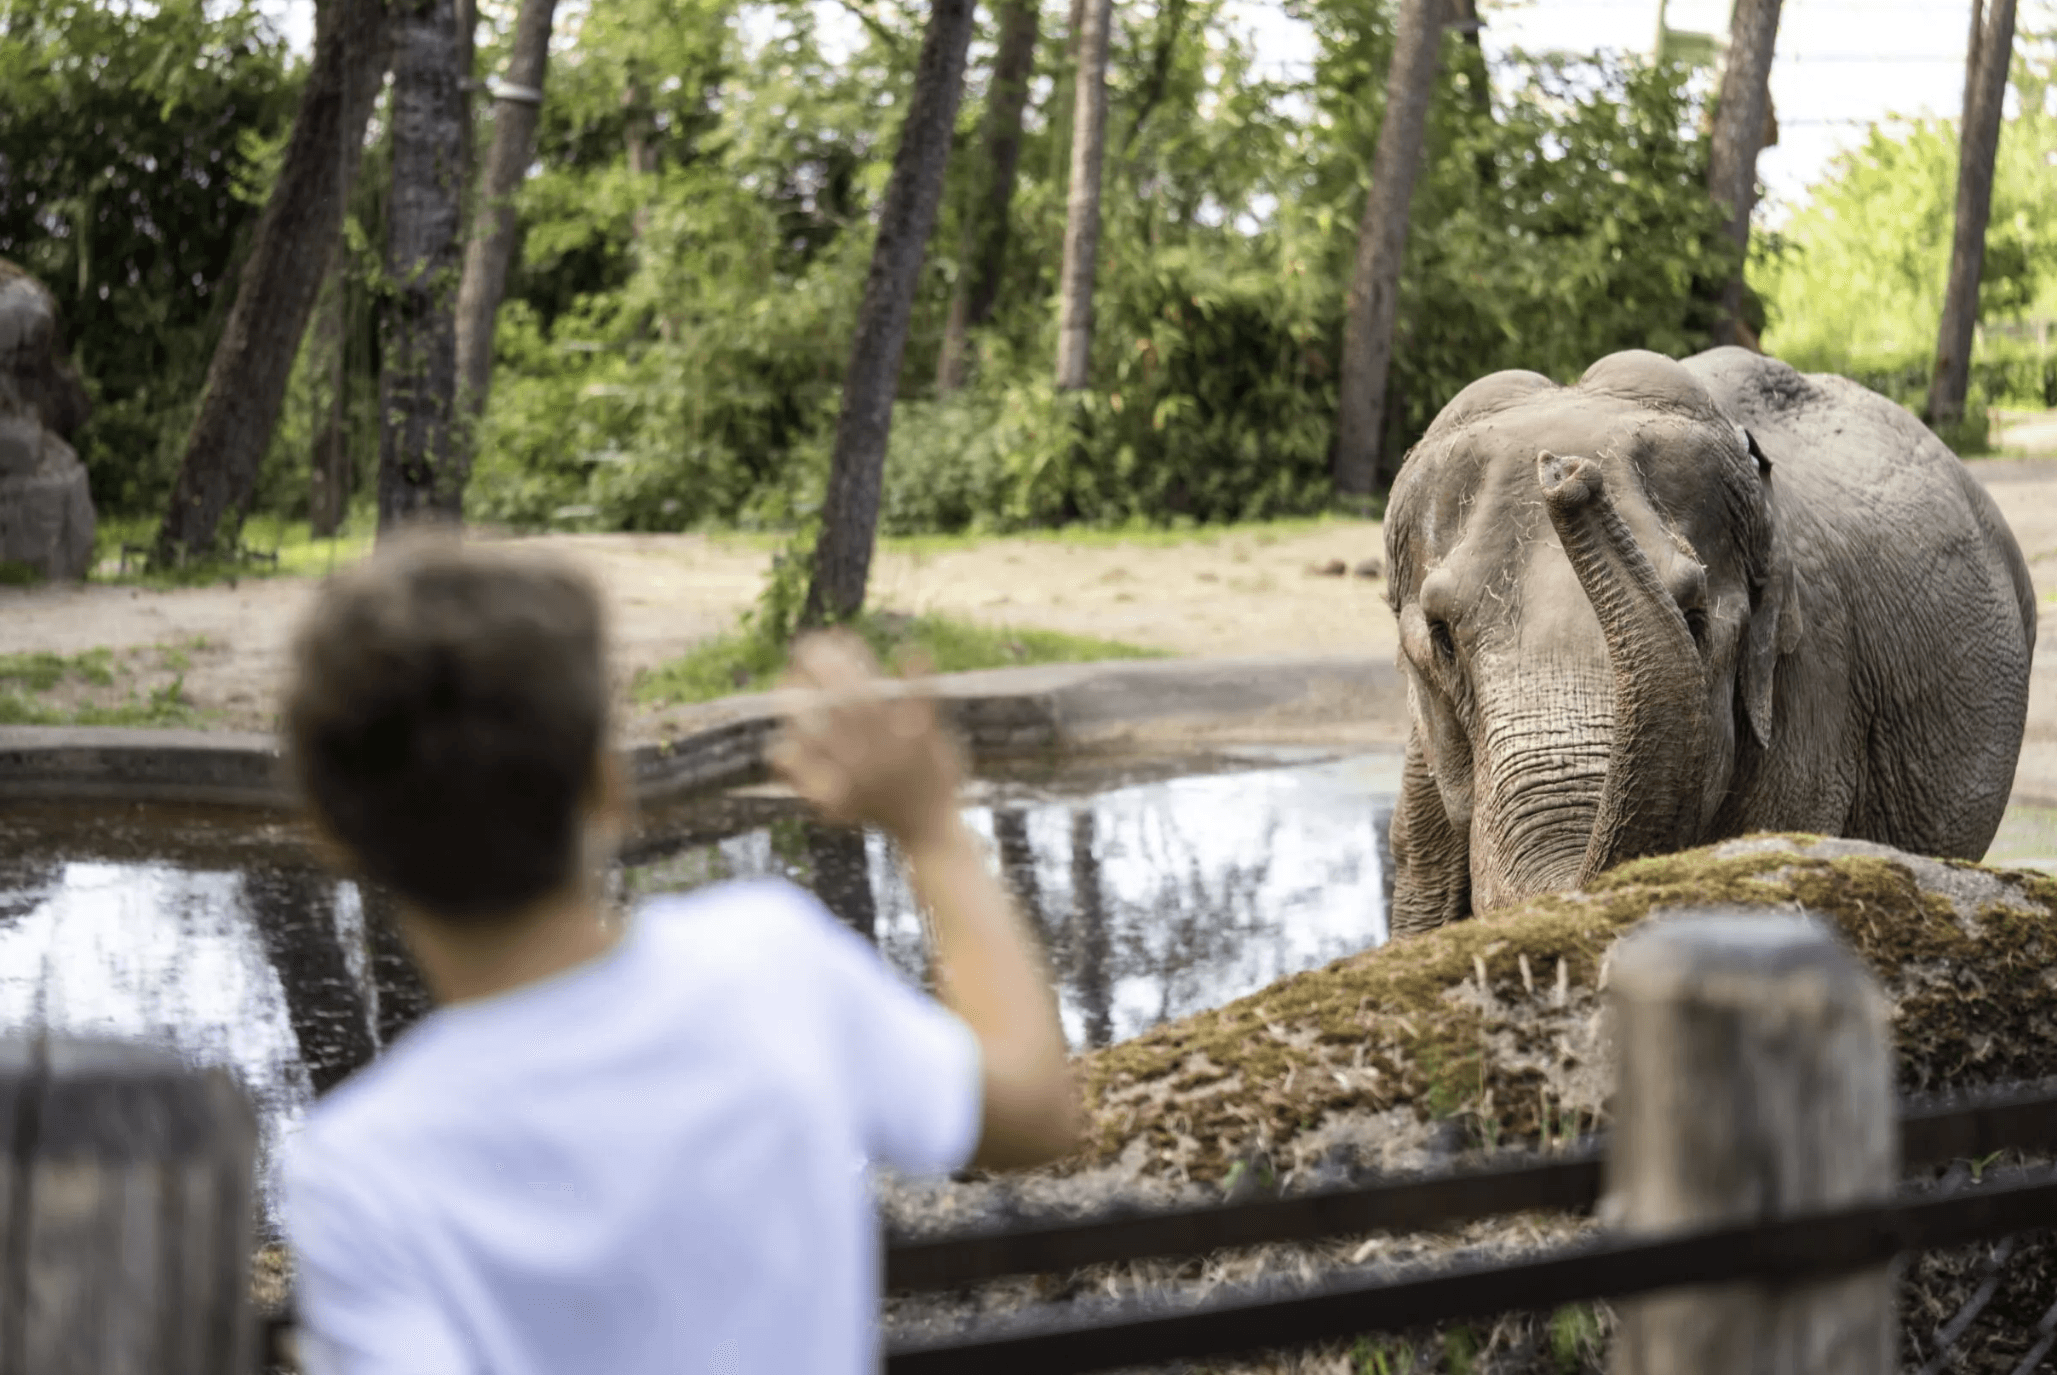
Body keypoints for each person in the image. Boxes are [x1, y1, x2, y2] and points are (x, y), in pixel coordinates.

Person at [279, 528, 1079, 1374]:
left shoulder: (360, 1171)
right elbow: (1033, 1110)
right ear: (608, 785)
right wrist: (932, 829)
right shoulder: (772, 964)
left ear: (329, 828)